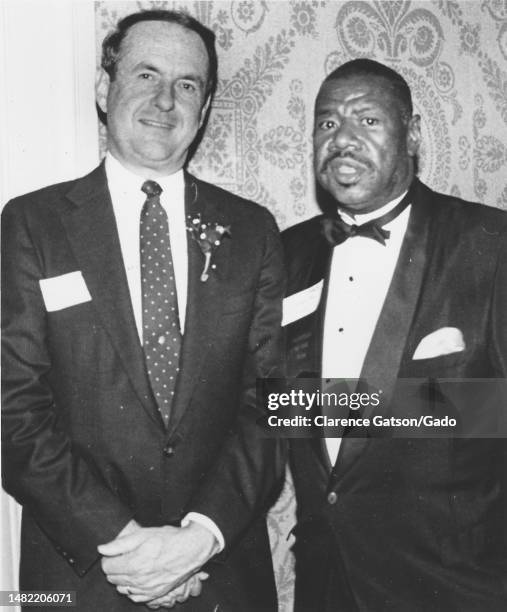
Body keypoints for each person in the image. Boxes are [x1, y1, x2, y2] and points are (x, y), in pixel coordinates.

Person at [2, 9, 285, 611]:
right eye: (146, 75)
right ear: (106, 90)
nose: (165, 100)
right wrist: (130, 548)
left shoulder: (254, 231)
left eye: (187, 85)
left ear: (204, 110)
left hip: (221, 574)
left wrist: (197, 540)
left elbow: (270, 405)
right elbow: (13, 412)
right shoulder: (33, 226)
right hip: (81, 576)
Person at [282, 58, 507, 611]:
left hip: (451, 586)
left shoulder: (492, 245)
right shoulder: (287, 255)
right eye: (327, 123)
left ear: (413, 135)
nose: (343, 139)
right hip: (327, 580)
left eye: (368, 120)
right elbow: (278, 405)